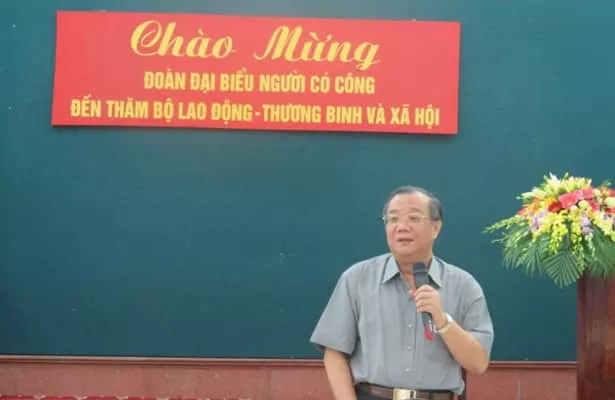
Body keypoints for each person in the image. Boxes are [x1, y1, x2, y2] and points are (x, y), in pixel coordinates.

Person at [310, 186, 494, 400]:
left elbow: (478, 364)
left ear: (435, 228)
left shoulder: (464, 285)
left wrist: (443, 321)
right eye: (393, 219)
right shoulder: (357, 279)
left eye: (414, 218)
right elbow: (334, 352)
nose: (402, 227)